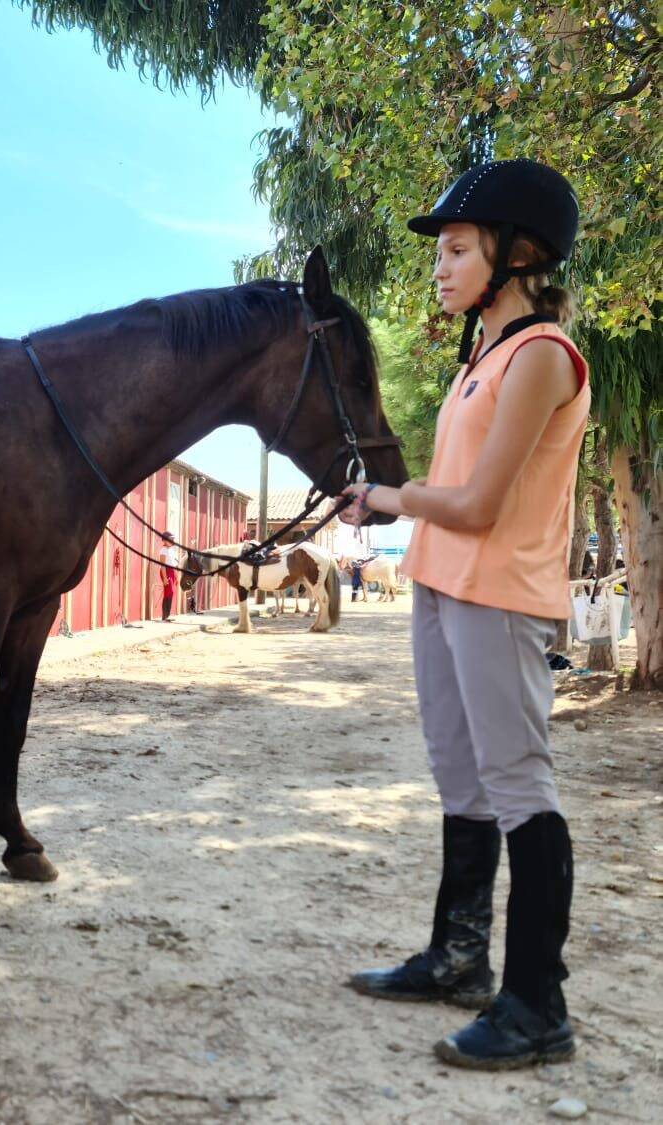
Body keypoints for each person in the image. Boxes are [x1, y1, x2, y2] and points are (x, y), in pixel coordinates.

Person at [341, 159, 589, 1069]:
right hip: (443, 587)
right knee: (462, 780)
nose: (439, 267)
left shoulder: (539, 357)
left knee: (521, 786)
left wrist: (392, 496)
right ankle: (458, 956)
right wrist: (383, 503)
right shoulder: (479, 361)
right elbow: (450, 495)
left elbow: (479, 503)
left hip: (499, 592)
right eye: (438, 252)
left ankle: (537, 1003)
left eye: (455, 249)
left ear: (516, 253)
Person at [159, 531, 181, 620]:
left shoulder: (172, 550)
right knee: (169, 592)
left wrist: (176, 576)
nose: (172, 541)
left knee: (171, 593)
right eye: (170, 539)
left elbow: (174, 564)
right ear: (164, 540)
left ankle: (167, 615)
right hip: (165, 571)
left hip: (172, 571)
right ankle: (165, 616)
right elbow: (163, 565)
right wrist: (164, 578)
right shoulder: (163, 550)